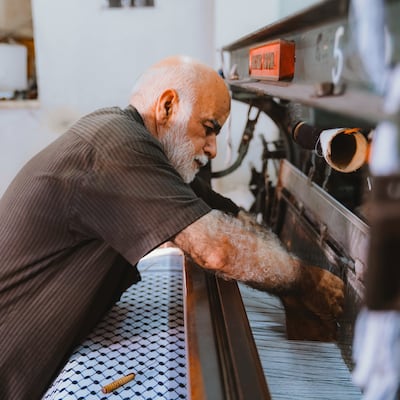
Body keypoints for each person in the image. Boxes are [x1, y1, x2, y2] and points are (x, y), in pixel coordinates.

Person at [0, 55, 344, 399]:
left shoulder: (136, 143)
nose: (211, 149)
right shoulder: (114, 144)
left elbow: (223, 212)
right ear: (167, 107)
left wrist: (280, 255)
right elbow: (217, 250)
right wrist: (305, 282)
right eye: (209, 129)